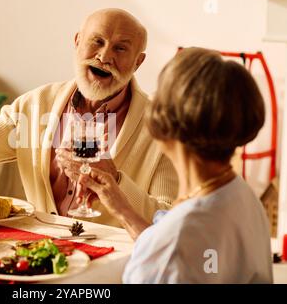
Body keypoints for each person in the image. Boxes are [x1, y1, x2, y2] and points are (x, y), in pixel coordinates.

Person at [0, 8, 178, 227]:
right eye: (97, 41)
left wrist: (115, 182)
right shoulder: (35, 104)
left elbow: (167, 219)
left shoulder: (164, 125)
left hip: (114, 263)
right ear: (77, 42)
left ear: (138, 61)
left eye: (121, 48)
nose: (105, 56)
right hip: (44, 254)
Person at [72, 47, 273, 283]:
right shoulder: (240, 195)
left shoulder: (177, 240)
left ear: (163, 123)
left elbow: (171, 247)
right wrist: (121, 209)